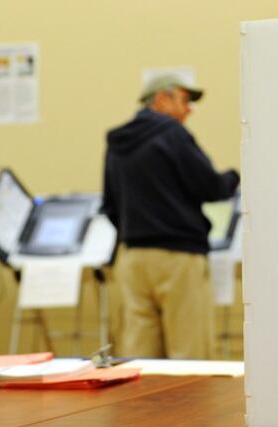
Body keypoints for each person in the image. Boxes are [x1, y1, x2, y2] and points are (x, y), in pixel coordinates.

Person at [102, 74, 240, 359]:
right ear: (162, 98)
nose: (189, 109)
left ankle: (143, 407)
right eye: (185, 100)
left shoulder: (118, 143)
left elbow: (110, 205)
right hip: (178, 258)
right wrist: (234, 177)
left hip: (133, 259)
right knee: (189, 356)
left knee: (142, 357)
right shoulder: (172, 133)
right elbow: (210, 186)